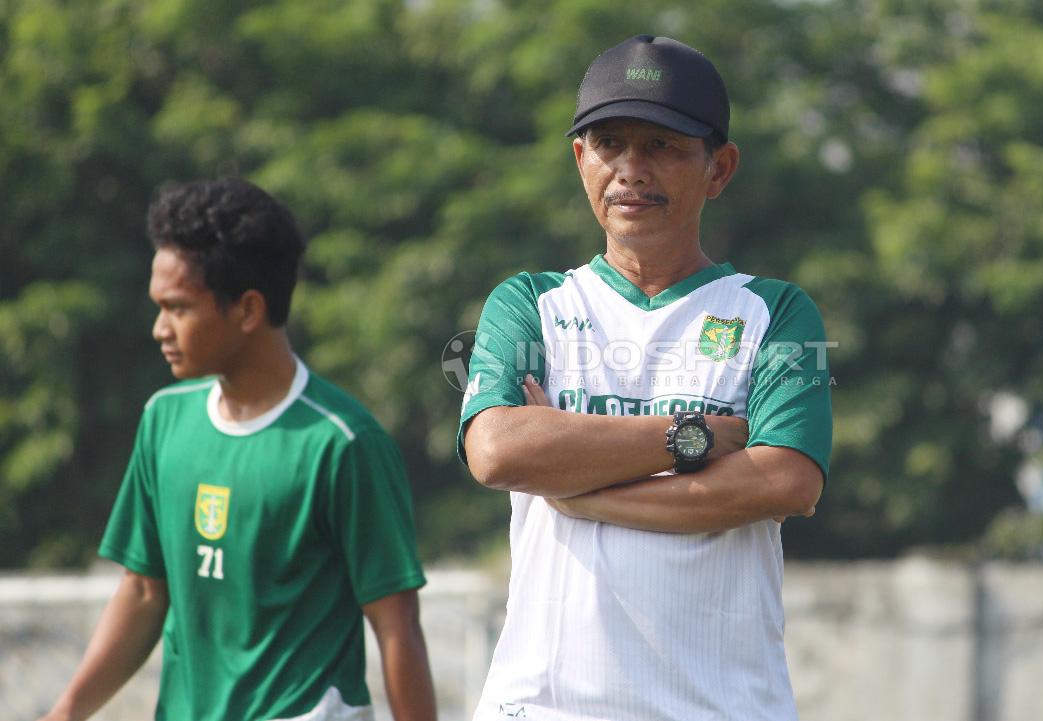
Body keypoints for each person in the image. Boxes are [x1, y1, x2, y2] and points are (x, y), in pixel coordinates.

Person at [459, 35, 832, 721]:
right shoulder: (529, 304)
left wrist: (580, 490)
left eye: (662, 145)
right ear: (580, 160)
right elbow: (498, 451)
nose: (630, 168)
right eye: (609, 143)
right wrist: (693, 438)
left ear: (719, 168)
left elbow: (786, 479)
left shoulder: (776, 312)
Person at [40, 179, 437, 721]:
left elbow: (396, 624)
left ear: (248, 309)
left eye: (177, 308)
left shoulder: (344, 443)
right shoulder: (164, 420)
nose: (160, 328)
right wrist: (64, 713)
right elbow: (143, 592)